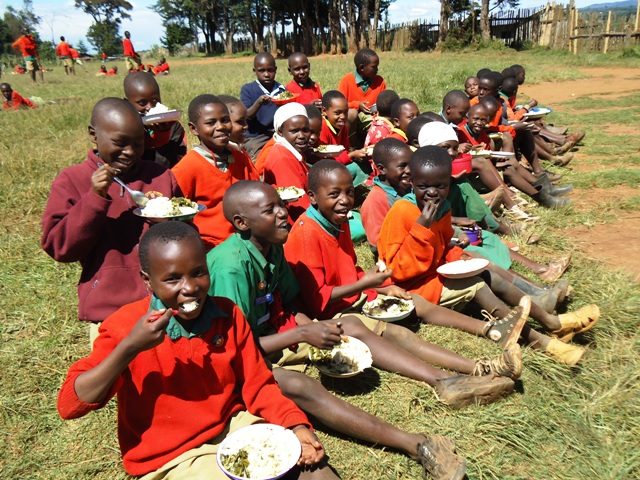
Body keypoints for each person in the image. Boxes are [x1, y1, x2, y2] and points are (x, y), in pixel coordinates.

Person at [57, 221, 335, 480]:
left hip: (233, 426)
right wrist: (130, 348)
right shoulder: (125, 327)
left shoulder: (226, 313)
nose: (190, 288)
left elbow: (259, 383)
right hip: (172, 455)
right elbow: (70, 405)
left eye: (198, 273)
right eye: (172, 279)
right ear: (147, 280)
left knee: (316, 470)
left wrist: (294, 425)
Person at [211, 181, 521, 407]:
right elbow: (240, 346)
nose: (283, 213)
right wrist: (305, 331)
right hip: (255, 350)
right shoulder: (233, 268)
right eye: (271, 210)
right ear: (241, 222)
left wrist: (309, 325)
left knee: (370, 327)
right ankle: (448, 379)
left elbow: (291, 301)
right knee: (358, 330)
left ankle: (469, 371)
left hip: (283, 327)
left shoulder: (272, 244)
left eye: (281, 204)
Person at [377, 146, 599, 365]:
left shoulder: (442, 207)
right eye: (423, 186)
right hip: (413, 287)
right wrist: (422, 227)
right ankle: (540, 341)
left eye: (440, 186)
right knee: (477, 285)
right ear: (412, 181)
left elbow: (443, 246)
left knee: (486, 270)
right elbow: (396, 271)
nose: (432, 192)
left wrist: (459, 256)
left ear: (449, 183)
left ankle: (550, 321)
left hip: (433, 273)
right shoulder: (402, 212)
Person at [284, 159, 530, 355]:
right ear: (312, 196)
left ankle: (490, 328)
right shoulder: (308, 232)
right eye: (335, 194)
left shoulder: (337, 220)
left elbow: (350, 269)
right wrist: (366, 284)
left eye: (349, 192)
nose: (345, 200)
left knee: (417, 303)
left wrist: (382, 288)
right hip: (334, 311)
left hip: (360, 294)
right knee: (401, 333)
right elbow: (318, 300)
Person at [41, 98, 180, 341]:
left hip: (165, 306)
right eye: (120, 143)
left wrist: (171, 225)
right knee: (116, 365)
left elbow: (185, 233)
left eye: (138, 143)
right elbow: (59, 247)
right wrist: (95, 198)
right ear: (93, 135)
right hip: (110, 312)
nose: (130, 151)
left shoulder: (159, 176)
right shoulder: (73, 180)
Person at [172, 94, 259, 249]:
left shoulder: (239, 157)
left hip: (248, 239)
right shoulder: (187, 168)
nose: (220, 127)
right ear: (194, 129)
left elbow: (256, 188)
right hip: (212, 246)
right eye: (211, 123)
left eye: (225, 120)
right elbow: (176, 215)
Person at [124, 71, 186, 168]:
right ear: (127, 103)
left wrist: (164, 133)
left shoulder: (173, 126)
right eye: (142, 103)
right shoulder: (124, 128)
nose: (150, 107)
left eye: (155, 100)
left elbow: (179, 160)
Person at [262, 103, 312, 222]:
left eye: (305, 130)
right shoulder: (282, 158)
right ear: (280, 131)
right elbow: (298, 204)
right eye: (294, 131)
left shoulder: (291, 151)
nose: (301, 136)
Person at [240, 52, 286, 159]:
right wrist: (259, 102)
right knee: (262, 158)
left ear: (275, 69)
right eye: (261, 70)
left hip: (277, 133)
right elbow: (246, 115)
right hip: (256, 136)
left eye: (270, 70)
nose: (266, 74)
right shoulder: (248, 89)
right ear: (255, 71)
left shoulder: (281, 89)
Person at [338, 48, 387, 146]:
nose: (377, 69)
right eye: (374, 67)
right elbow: (339, 105)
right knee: (352, 113)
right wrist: (357, 105)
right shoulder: (347, 81)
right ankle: (351, 146)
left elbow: (383, 102)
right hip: (352, 122)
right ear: (361, 68)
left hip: (373, 120)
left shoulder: (379, 81)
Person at [319, 90, 369, 185]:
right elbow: (325, 162)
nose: (342, 116)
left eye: (345, 112)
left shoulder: (342, 126)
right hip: (326, 171)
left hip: (338, 165)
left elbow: (345, 149)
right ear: (324, 111)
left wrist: (356, 153)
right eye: (337, 113)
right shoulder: (322, 129)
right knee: (357, 169)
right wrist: (351, 155)